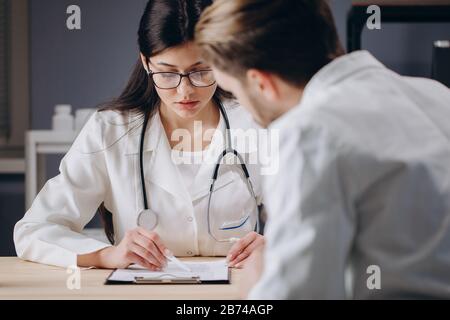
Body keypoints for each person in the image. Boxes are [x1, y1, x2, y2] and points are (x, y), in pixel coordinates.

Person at [195, 0, 450, 299]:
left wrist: (256, 284)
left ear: (261, 83)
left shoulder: (309, 133)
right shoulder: (437, 94)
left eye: (236, 92)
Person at [14, 0, 265, 270]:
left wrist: (275, 244)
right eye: (167, 74)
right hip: (141, 293)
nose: (185, 91)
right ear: (146, 62)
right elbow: (34, 229)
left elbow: (310, 219)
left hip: (234, 295)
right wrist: (103, 255)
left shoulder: (257, 123)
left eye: (201, 71)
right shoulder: (110, 130)